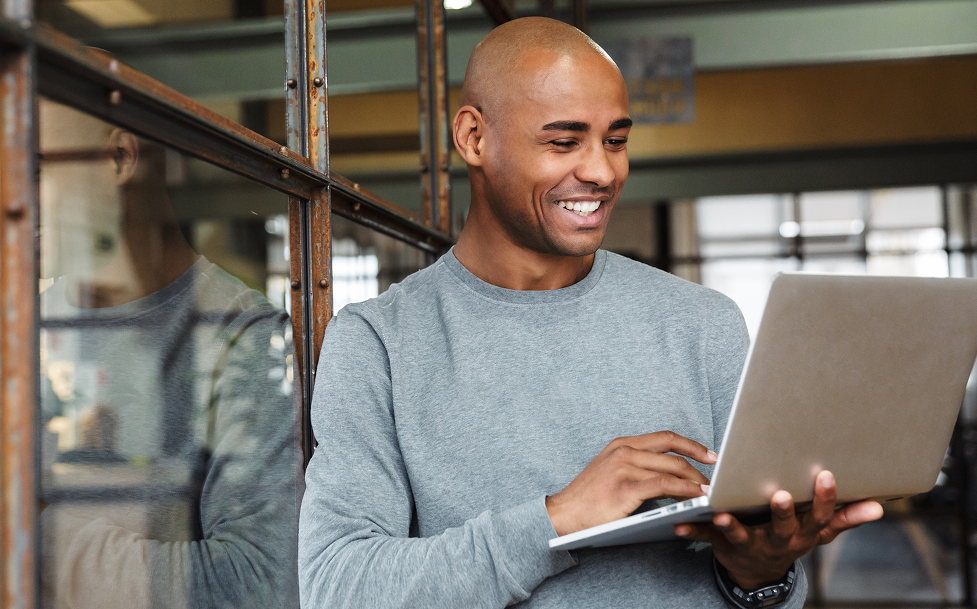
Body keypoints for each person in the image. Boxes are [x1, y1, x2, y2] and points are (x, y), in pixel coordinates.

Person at [298, 17, 883, 608]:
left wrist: (760, 573)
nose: (603, 172)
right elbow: (339, 589)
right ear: (474, 138)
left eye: (616, 140)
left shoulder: (703, 325)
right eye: (563, 141)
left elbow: (772, 592)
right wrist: (558, 519)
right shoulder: (378, 343)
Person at [39, 113, 301, 609]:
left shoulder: (242, 336)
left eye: (34, 169)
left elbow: (258, 583)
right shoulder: (23, 327)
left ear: (120, 158)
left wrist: (34, 535)